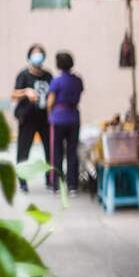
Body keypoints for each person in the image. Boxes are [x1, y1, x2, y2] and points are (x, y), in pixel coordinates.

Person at [12, 45, 53, 193]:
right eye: (35, 54)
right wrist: (26, 92)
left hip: (45, 119)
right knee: (23, 151)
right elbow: (13, 94)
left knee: (50, 150)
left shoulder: (48, 75)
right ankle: (23, 182)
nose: (37, 56)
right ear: (29, 57)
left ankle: (50, 180)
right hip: (27, 118)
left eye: (40, 54)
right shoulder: (23, 75)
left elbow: (53, 94)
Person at [46, 51, 84, 195]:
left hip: (58, 118)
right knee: (72, 152)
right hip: (74, 118)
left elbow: (50, 102)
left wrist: (50, 115)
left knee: (57, 152)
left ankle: (57, 184)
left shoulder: (56, 81)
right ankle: (73, 185)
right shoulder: (78, 80)